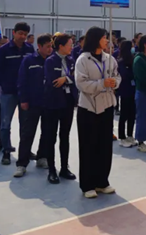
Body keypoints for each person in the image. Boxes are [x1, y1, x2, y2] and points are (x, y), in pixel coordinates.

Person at [74, 26, 120, 199]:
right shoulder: (83, 60)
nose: (107, 40)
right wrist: (102, 84)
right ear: (95, 39)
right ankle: (88, 185)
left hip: (107, 106)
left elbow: (117, 76)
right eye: (104, 38)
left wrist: (114, 83)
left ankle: (102, 181)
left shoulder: (110, 59)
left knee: (105, 146)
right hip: (89, 109)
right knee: (88, 146)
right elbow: (81, 83)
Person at [0, 22, 35, 165]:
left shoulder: (29, 49)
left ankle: (25, 151)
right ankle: (6, 151)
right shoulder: (4, 50)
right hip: (9, 92)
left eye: (25, 34)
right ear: (14, 33)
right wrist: (6, 85)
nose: (22, 36)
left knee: (26, 124)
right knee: (5, 123)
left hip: (25, 93)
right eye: (20, 33)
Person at [13, 34, 52, 178]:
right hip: (32, 103)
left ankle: (42, 157)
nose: (50, 49)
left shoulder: (52, 60)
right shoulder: (29, 60)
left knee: (47, 132)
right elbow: (22, 80)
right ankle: (22, 164)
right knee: (27, 133)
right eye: (47, 46)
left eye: (51, 46)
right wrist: (23, 100)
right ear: (39, 46)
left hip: (49, 103)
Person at [42, 33, 78, 184]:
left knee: (65, 136)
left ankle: (64, 167)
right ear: (61, 46)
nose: (72, 47)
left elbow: (76, 77)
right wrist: (67, 79)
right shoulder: (50, 61)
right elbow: (53, 81)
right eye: (69, 44)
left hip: (68, 103)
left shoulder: (71, 60)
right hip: (53, 103)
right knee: (51, 137)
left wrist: (66, 79)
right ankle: (52, 170)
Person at [116, 40, 136, 147]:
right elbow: (124, 75)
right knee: (124, 114)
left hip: (133, 90)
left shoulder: (133, 59)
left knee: (132, 114)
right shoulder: (121, 62)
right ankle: (122, 137)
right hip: (125, 90)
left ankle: (130, 135)